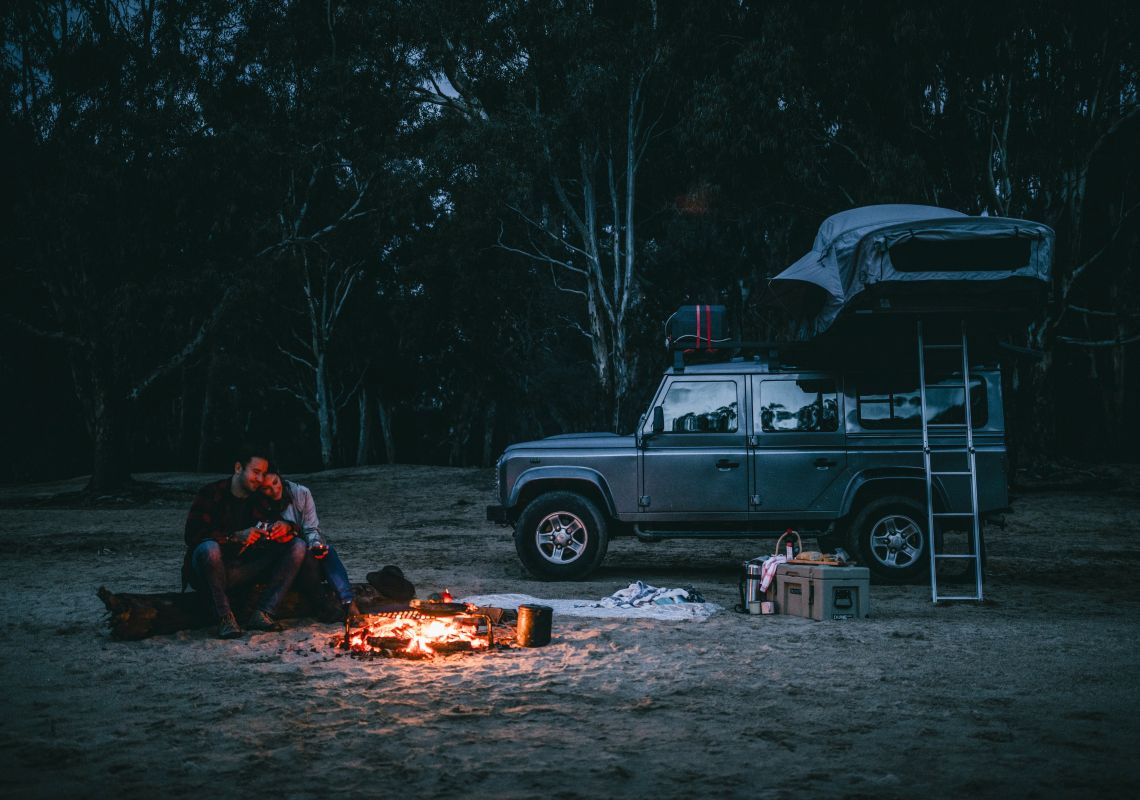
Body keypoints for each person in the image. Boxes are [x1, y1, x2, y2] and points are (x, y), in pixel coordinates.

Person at [183, 447, 307, 639]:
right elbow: (192, 535)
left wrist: (286, 526)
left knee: (297, 545)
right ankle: (224, 617)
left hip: (244, 569)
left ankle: (263, 612)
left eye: (263, 474)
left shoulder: (259, 500)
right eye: (255, 472)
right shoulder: (211, 493)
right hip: (211, 568)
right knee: (209, 549)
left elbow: (285, 525)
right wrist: (234, 537)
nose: (259, 479)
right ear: (239, 468)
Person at [260, 471, 360, 622]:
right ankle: (323, 606)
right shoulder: (258, 504)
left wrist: (316, 545)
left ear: (280, 477)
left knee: (327, 551)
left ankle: (348, 602)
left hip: (306, 555)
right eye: (267, 488)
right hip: (284, 562)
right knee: (302, 552)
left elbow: (311, 528)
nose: (274, 490)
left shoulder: (300, 493)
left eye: (275, 482)